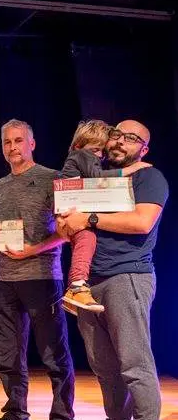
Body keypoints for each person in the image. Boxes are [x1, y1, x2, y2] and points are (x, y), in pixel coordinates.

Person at [59, 120, 167, 420]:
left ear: (144, 147)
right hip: (90, 284)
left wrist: (88, 218)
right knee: (105, 367)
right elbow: (68, 223)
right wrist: (67, 221)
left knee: (135, 364)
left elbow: (141, 222)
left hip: (128, 276)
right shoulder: (99, 175)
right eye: (117, 135)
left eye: (132, 138)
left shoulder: (149, 177)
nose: (121, 142)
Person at [0, 120, 76, 420]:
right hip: (5, 279)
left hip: (42, 277)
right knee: (7, 354)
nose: (12, 147)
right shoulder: (0, 184)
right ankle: (15, 416)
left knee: (53, 354)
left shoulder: (52, 178)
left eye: (18, 141)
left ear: (32, 143)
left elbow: (66, 231)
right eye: (7, 142)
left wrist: (33, 249)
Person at [59, 120, 151, 313]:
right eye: (95, 150)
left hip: (75, 207)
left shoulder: (82, 156)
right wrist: (128, 170)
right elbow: (97, 177)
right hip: (71, 206)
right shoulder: (82, 155)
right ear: (78, 146)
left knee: (86, 242)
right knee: (86, 240)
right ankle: (76, 286)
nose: (99, 155)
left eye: (101, 150)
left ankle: (75, 290)